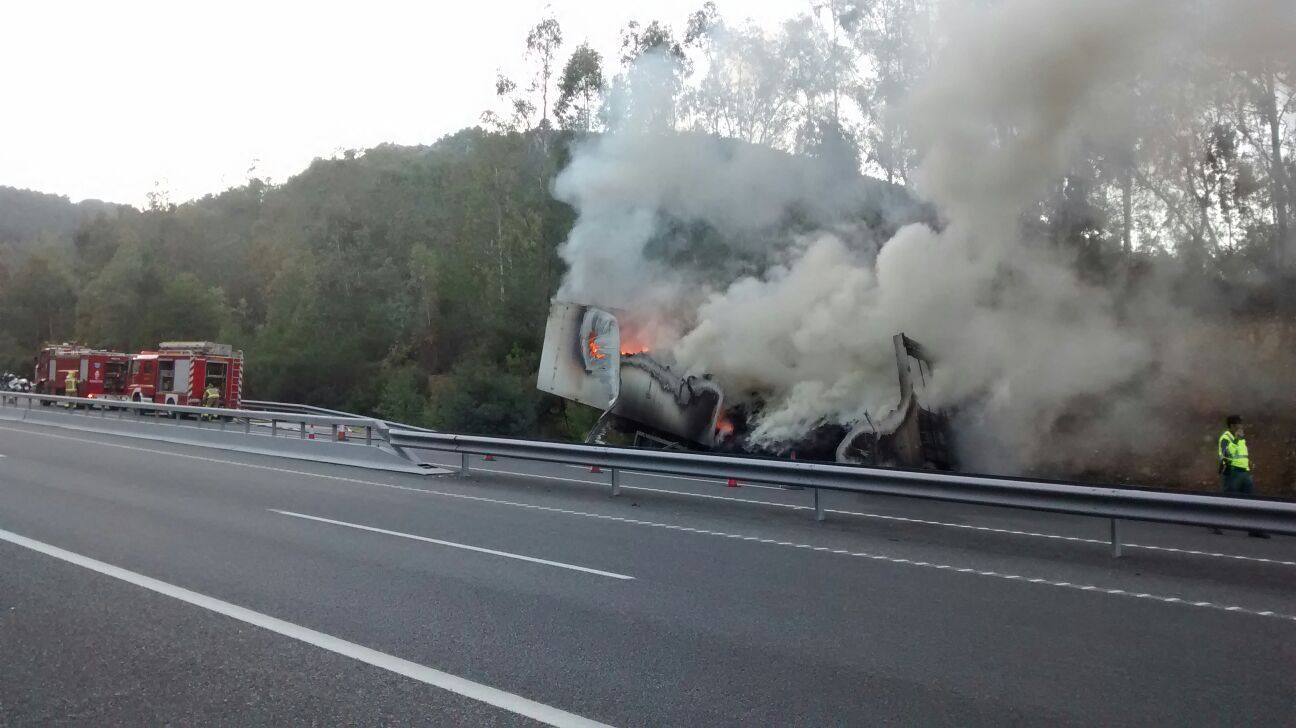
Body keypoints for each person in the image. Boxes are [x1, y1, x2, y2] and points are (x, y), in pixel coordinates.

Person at [1214, 415, 1269, 538]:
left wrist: (1248, 463)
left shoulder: (1241, 439)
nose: (1241, 427)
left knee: (1252, 501)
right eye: (1239, 425)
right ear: (1232, 426)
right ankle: (1214, 522)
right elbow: (1226, 454)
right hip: (1232, 473)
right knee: (1228, 501)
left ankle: (1254, 529)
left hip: (1244, 473)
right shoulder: (1226, 438)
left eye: (1241, 424)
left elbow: (1242, 455)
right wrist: (1236, 440)